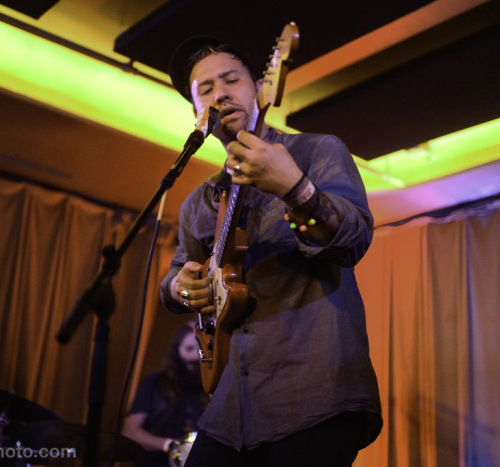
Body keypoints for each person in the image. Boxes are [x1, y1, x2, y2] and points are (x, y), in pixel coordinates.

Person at [158, 35, 383, 467]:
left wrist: (295, 189)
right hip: (228, 409)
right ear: (197, 113)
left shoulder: (317, 151)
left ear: (260, 89)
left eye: (230, 80)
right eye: (205, 89)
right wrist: (184, 289)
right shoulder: (198, 202)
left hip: (315, 395)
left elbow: (353, 241)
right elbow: (171, 283)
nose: (220, 92)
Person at [123, 323, 210, 467]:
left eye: (200, 350)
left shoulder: (210, 388)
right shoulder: (155, 382)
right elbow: (131, 431)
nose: (195, 356)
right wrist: (169, 445)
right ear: (176, 349)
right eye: (189, 348)